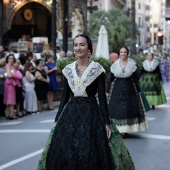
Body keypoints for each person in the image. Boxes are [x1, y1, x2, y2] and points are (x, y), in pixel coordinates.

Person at [37, 34, 134, 170]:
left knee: (90, 149)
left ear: (89, 48)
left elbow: (101, 98)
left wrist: (106, 122)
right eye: (76, 45)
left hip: (91, 114)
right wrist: (56, 120)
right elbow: (65, 97)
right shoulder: (68, 70)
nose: (78, 48)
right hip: (71, 114)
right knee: (66, 150)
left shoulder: (97, 69)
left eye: (82, 44)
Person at [107, 47, 148, 136]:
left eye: (125, 52)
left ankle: (126, 129)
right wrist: (107, 91)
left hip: (130, 89)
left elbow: (136, 78)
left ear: (127, 53)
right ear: (119, 53)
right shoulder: (115, 65)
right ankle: (120, 129)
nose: (123, 54)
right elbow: (111, 79)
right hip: (117, 89)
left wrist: (138, 91)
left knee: (128, 109)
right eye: (121, 52)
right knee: (118, 109)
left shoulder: (132, 64)